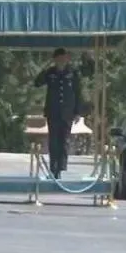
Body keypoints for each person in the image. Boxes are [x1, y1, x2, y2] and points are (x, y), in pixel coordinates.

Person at [33, 48, 84, 179]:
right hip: (53, 112)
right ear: (55, 59)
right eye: (59, 58)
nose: (62, 61)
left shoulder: (73, 73)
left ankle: (61, 168)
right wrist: (45, 68)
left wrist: (78, 112)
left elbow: (78, 92)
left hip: (67, 112)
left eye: (64, 58)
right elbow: (37, 83)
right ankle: (53, 168)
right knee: (53, 141)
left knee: (64, 140)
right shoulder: (50, 73)